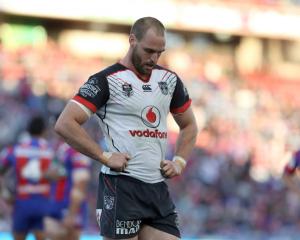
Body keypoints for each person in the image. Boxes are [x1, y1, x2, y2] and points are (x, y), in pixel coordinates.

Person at [55, 16, 198, 240]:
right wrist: (104, 156)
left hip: (156, 188)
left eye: (159, 52)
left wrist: (179, 161)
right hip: (121, 186)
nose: (154, 58)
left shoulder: (169, 80)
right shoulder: (105, 80)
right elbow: (65, 123)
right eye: (149, 50)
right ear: (132, 40)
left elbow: (189, 125)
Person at [0, 115, 54, 240]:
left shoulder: (16, 149)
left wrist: (4, 193)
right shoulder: (50, 150)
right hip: (43, 203)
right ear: (44, 131)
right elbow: (60, 173)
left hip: (22, 202)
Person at [45, 141, 91, 240]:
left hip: (71, 206)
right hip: (56, 204)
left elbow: (81, 183)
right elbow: (51, 174)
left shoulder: (79, 152)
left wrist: (72, 213)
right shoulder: (61, 148)